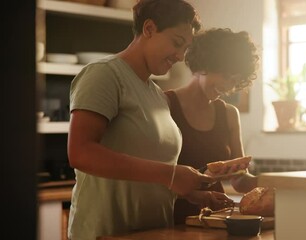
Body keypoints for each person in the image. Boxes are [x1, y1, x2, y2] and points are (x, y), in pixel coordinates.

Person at [66, 0, 219, 239]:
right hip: (105, 233)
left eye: (185, 48)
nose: (180, 56)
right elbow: (80, 153)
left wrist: (185, 191)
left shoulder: (157, 94)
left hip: (153, 233)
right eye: (177, 43)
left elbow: (145, 170)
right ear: (149, 29)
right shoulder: (104, 75)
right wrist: (170, 175)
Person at [164, 28, 260, 224]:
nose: (228, 87)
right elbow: (154, 175)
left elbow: (240, 181)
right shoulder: (164, 104)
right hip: (170, 216)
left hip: (215, 218)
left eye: (234, 81)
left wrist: (272, 183)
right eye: (225, 76)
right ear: (204, 64)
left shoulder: (229, 115)